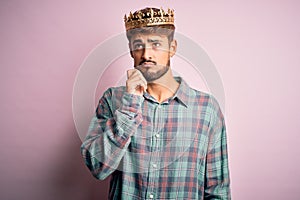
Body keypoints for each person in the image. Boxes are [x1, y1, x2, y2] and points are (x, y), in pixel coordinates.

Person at [81, 7, 231, 199]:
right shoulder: (112, 100)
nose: (146, 55)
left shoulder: (207, 110)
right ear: (130, 51)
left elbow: (218, 191)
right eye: (138, 45)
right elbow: (97, 167)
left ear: (172, 48)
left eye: (156, 44)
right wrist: (130, 106)